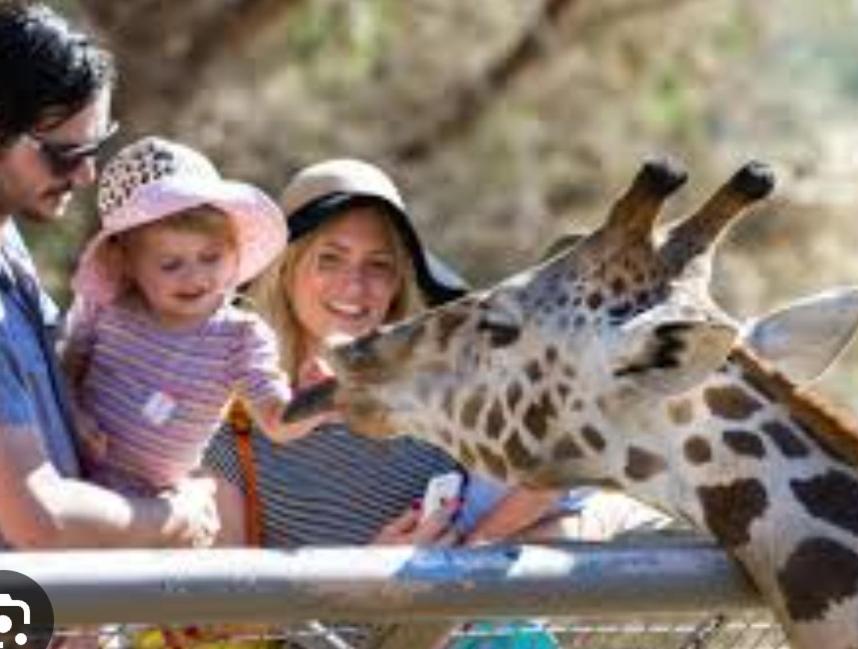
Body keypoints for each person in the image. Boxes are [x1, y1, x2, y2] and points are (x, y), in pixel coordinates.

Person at [196, 159, 561, 648]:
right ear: (286, 269)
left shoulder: (444, 410)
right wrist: (362, 578)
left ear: (397, 285)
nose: (355, 286)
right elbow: (222, 616)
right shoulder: (229, 419)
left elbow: (556, 488)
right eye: (330, 258)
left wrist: (467, 561)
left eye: (379, 265)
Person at [0, 1, 216, 548]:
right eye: (65, 153)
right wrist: (172, 519)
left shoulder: (7, 240)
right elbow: (37, 517)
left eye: (96, 148)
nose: (87, 173)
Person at [60, 136, 324, 498]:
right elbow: (63, 370)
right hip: (71, 476)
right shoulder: (108, 304)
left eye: (211, 257)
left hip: (153, 502)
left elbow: (275, 420)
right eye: (171, 264)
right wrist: (74, 414)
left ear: (234, 250)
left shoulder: (240, 338)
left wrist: (319, 398)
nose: (195, 278)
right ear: (128, 263)